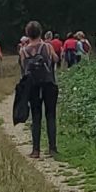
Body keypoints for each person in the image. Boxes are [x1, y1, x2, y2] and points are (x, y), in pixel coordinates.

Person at [19, 21, 61, 159]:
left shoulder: (23, 51)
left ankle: (35, 150)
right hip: (49, 83)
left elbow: (23, 70)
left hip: (33, 86)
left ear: (27, 34)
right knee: (51, 115)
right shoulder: (47, 47)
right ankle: (52, 148)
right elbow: (55, 59)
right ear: (40, 32)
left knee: (36, 117)